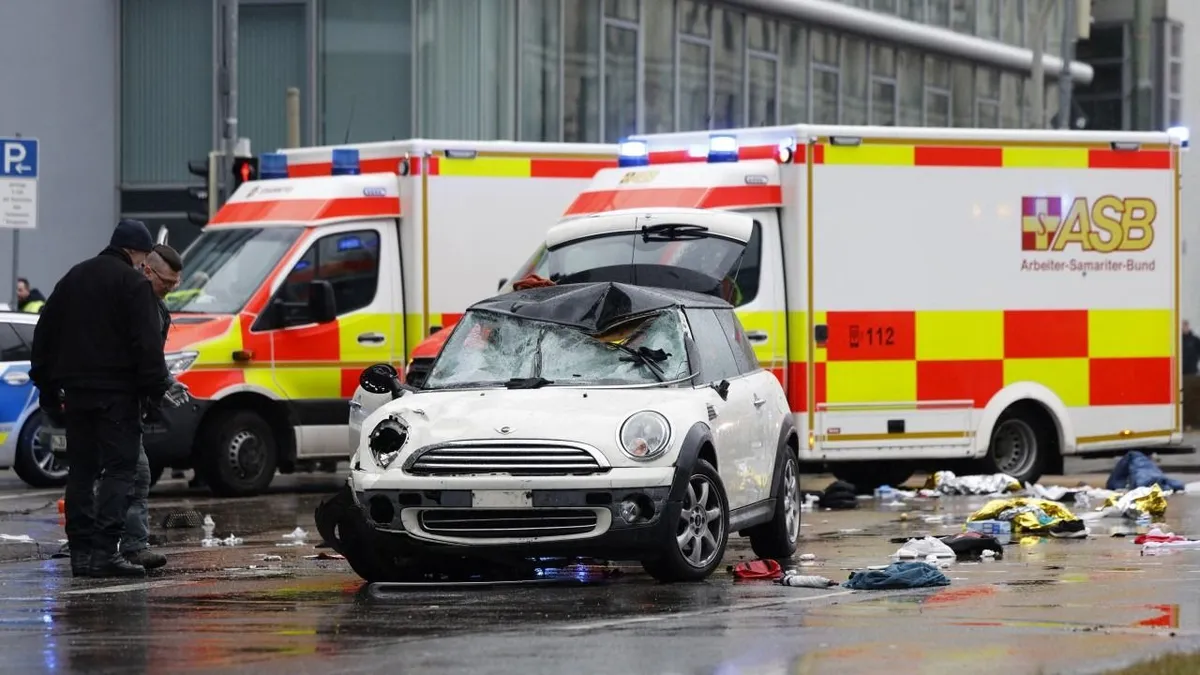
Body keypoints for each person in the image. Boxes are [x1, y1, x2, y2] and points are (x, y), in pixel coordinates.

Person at [31, 219, 171, 579]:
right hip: (118, 396)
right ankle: (106, 552)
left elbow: (44, 332)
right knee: (121, 469)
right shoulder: (134, 285)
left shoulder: (72, 278)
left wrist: (47, 387)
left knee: (81, 471)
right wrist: (155, 392)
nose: (143, 264)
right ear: (135, 252)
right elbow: (147, 345)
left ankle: (81, 554)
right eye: (143, 257)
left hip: (76, 394)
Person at [119, 244, 188, 571]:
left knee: (112, 476)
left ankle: (106, 543)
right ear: (147, 270)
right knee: (136, 474)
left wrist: (165, 382)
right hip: (117, 403)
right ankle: (131, 546)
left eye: (176, 284)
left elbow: (151, 360)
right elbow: (141, 357)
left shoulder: (155, 306)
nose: (171, 289)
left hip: (125, 403)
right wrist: (163, 383)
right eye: (167, 282)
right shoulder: (138, 304)